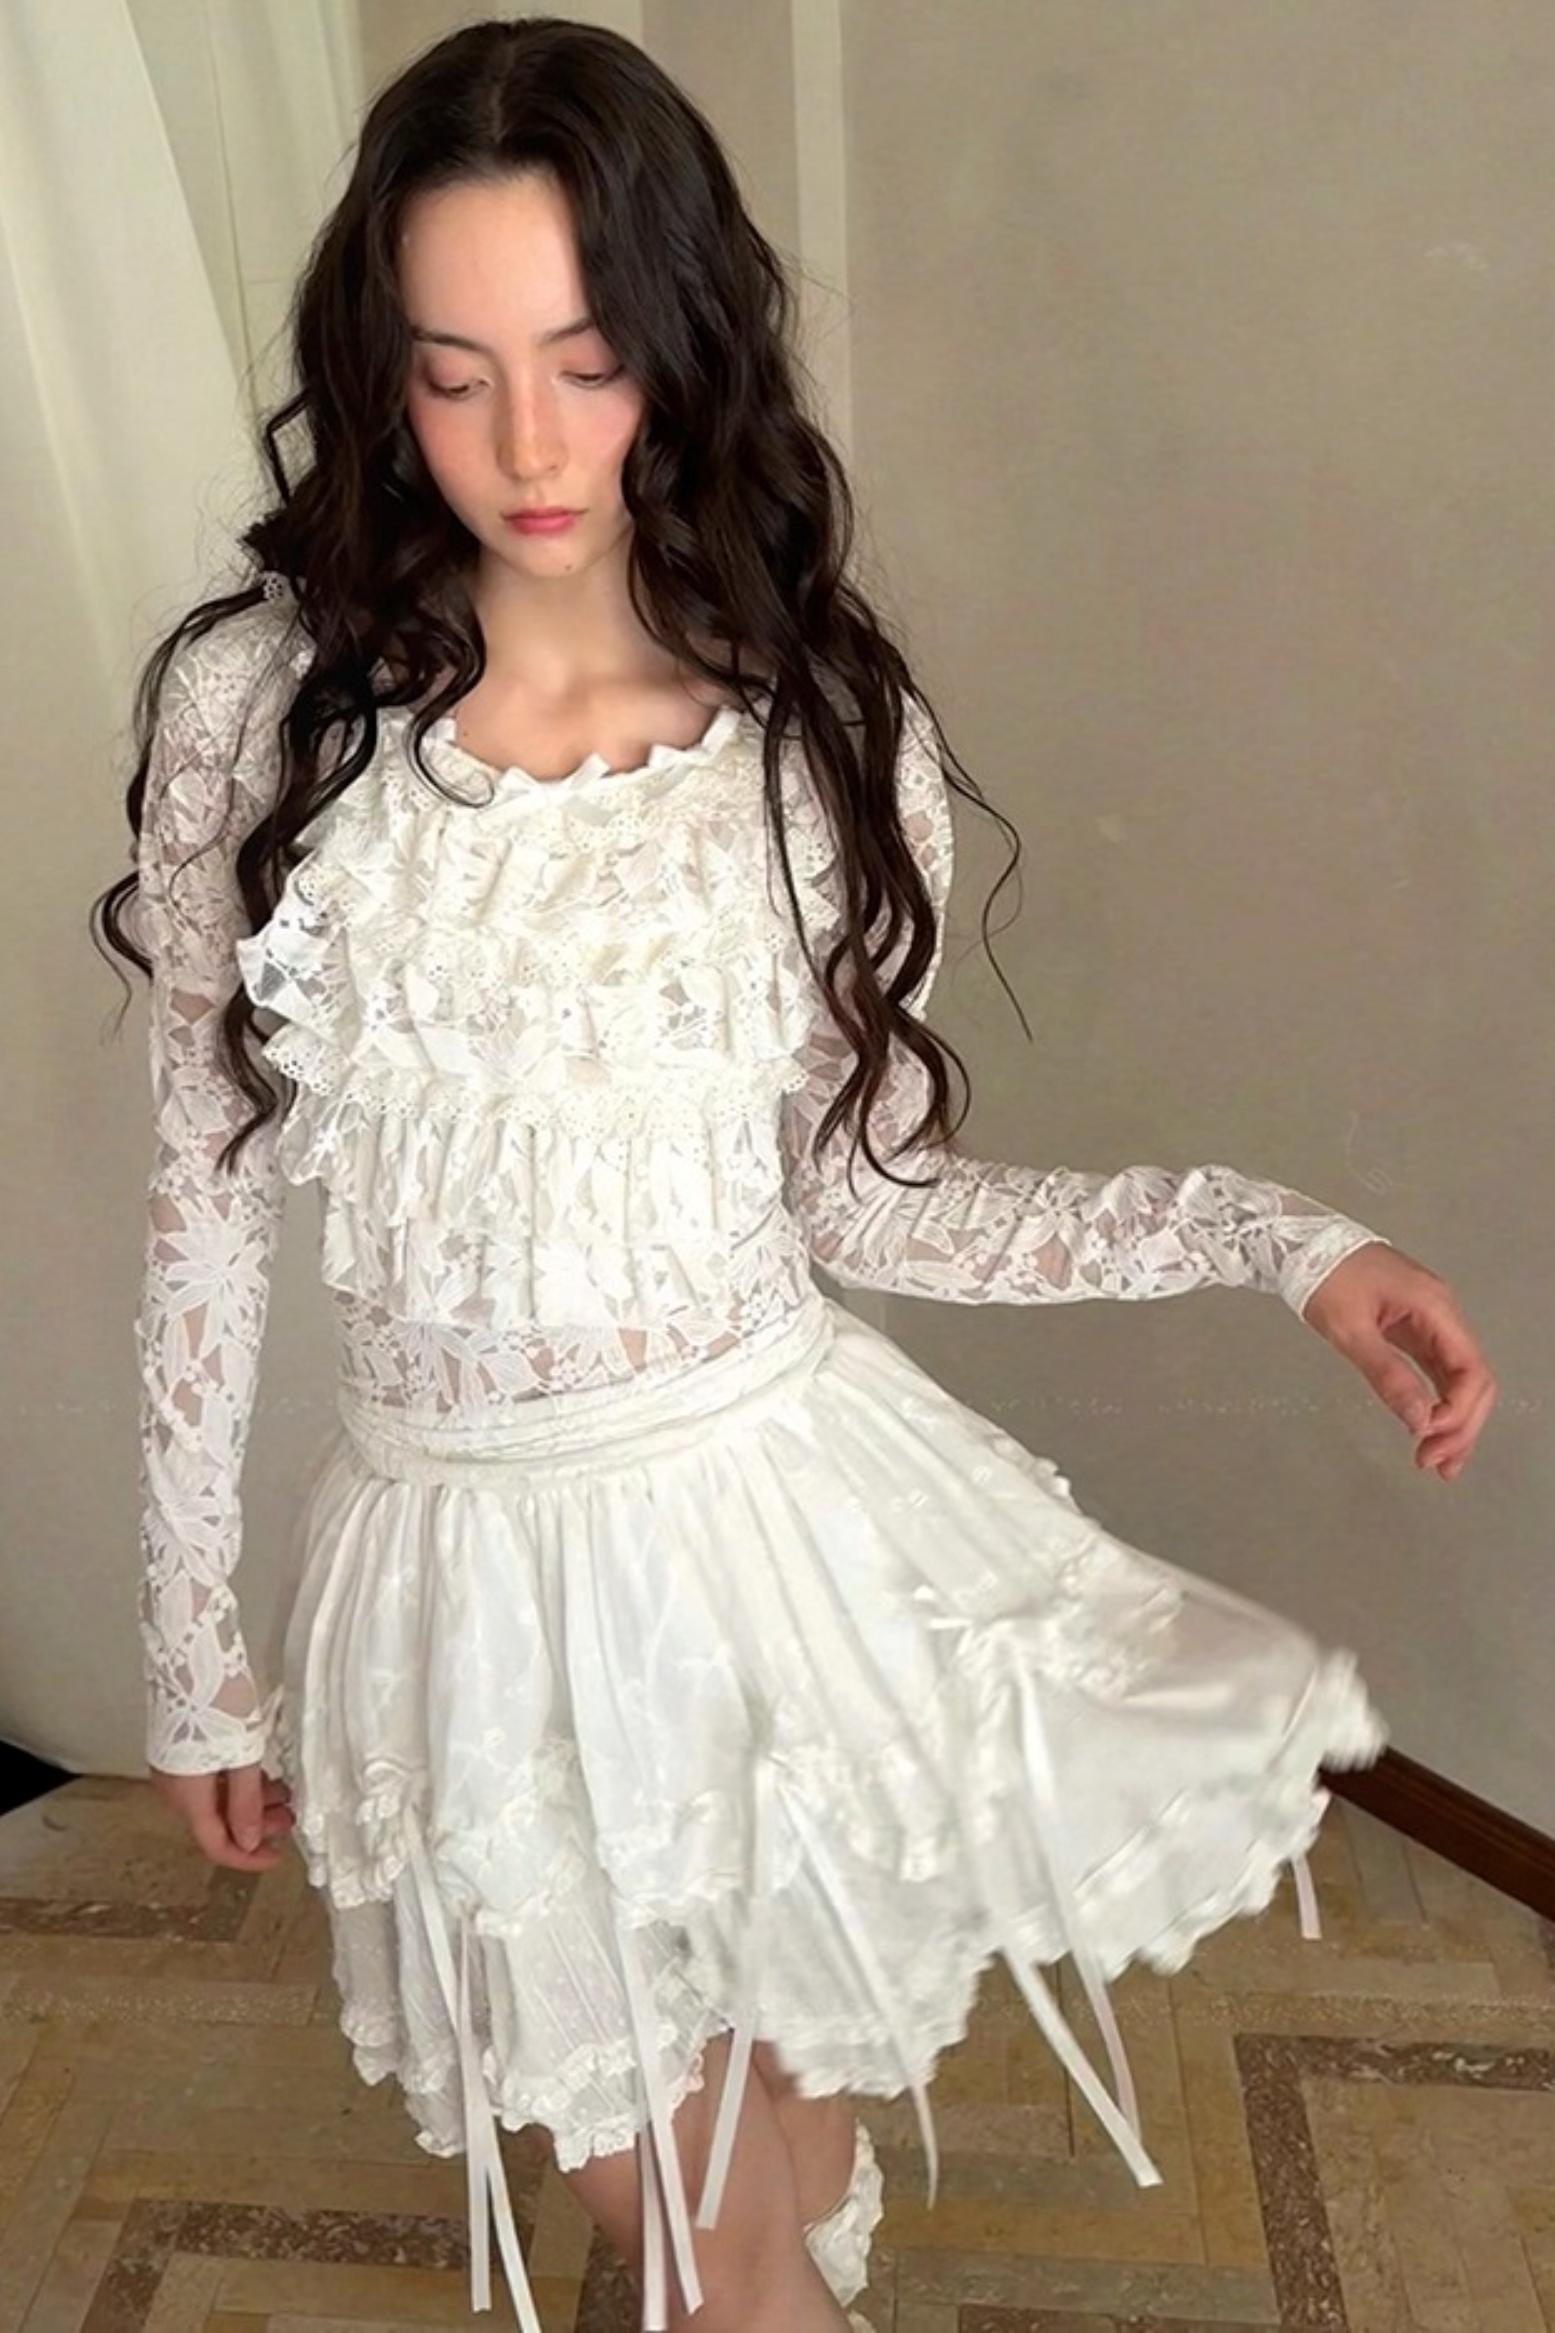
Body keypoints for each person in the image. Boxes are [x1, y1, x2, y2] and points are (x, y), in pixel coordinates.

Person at [92, 18, 1496, 2333]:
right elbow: (204, 1202)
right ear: (376, 376)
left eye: (586, 361)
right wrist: (189, 1658)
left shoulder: (814, 731)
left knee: (757, 2173)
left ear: (682, 345)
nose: (527, 445)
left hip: (773, 1538)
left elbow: (873, 1203)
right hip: (460, 1582)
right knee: (673, 2206)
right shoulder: (257, 711)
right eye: (453, 374)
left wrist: (1284, 1244)